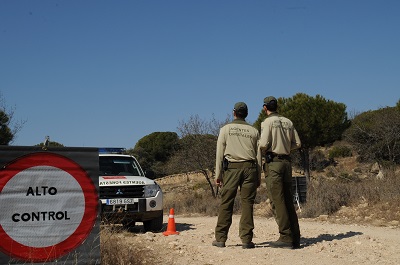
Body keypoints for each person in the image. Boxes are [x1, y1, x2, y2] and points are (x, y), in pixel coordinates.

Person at [212, 102, 261, 249]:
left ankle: (220, 238)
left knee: (227, 203)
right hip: (250, 169)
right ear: (246, 114)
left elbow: (219, 154)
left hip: (232, 169)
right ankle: (246, 240)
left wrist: (218, 174)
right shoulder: (254, 131)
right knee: (247, 204)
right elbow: (258, 156)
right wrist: (258, 176)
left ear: (234, 113)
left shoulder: (225, 129)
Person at [259, 96, 302, 249]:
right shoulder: (288, 121)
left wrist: (268, 149)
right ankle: (295, 237)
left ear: (265, 108)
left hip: (274, 164)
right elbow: (297, 143)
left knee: (277, 200)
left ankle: (285, 236)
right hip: (287, 163)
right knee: (289, 200)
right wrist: (284, 148)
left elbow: (263, 144)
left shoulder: (267, 122)